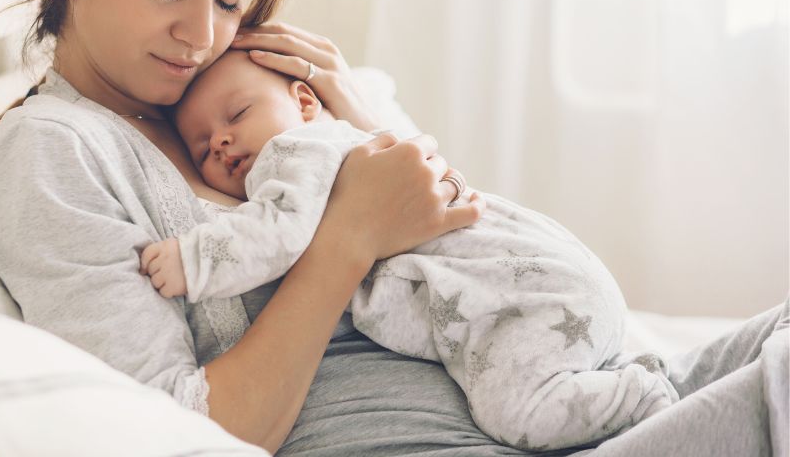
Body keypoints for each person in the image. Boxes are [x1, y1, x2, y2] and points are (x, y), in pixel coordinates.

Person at [0, 0, 785, 456]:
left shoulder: (242, 85)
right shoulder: (50, 153)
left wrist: (362, 120)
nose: (201, 36)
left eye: (231, 0)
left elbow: (455, 241)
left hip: (556, 389)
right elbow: (179, 427)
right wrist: (347, 236)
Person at [139, 50, 678, 451]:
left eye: (235, 116)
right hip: (549, 285)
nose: (223, 143)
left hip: (524, 296)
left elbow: (274, 235)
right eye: (204, 147)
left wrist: (195, 259)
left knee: (518, 410)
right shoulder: (355, 146)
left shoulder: (296, 153)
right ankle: (629, 377)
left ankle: (641, 398)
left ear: (305, 102)